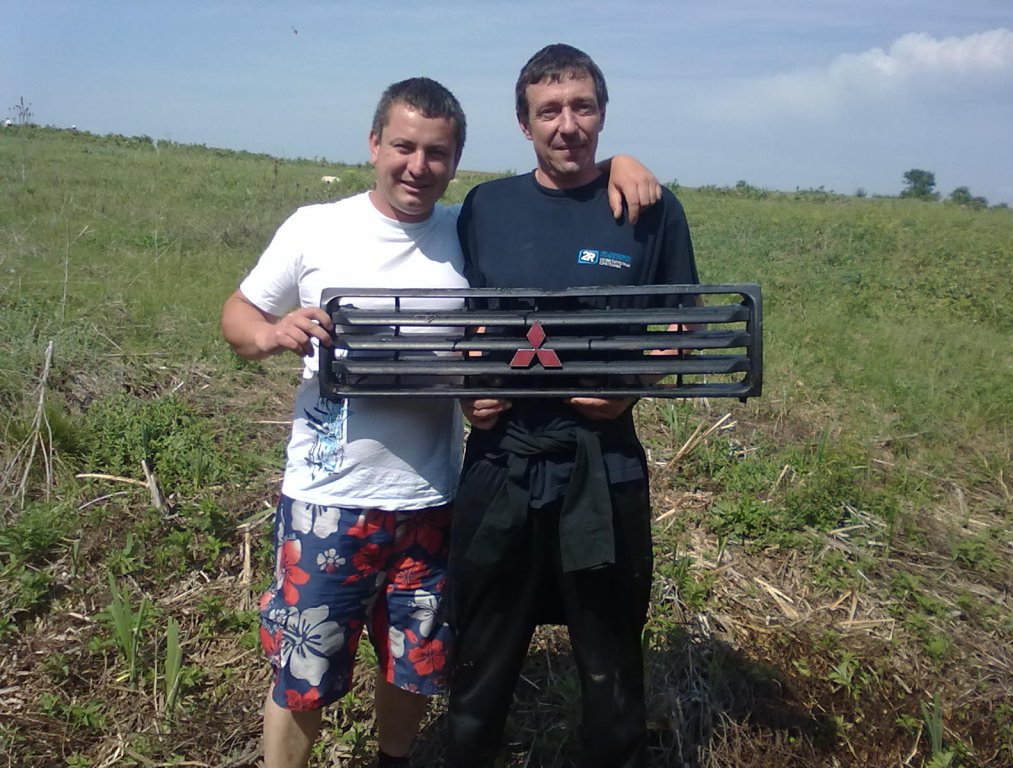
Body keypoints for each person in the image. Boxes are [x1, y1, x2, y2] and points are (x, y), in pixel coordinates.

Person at [221, 76, 663, 768]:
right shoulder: (315, 226)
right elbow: (238, 315)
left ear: (455, 160)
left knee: (416, 665)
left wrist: (620, 164)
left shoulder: (466, 229)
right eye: (403, 147)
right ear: (374, 144)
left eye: (436, 153)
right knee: (305, 671)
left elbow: (544, 221)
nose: (417, 166)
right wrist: (272, 333)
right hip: (326, 498)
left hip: (432, 498)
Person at [445, 44, 700, 768]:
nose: (567, 125)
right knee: (478, 664)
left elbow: (684, 330)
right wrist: (467, 390)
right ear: (523, 124)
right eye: (549, 110)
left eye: (582, 107)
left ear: (603, 114)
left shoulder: (648, 210)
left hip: (602, 466)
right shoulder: (486, 207)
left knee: (611, 662)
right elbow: (462, 326)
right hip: (499, 463)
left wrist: (632, 385)